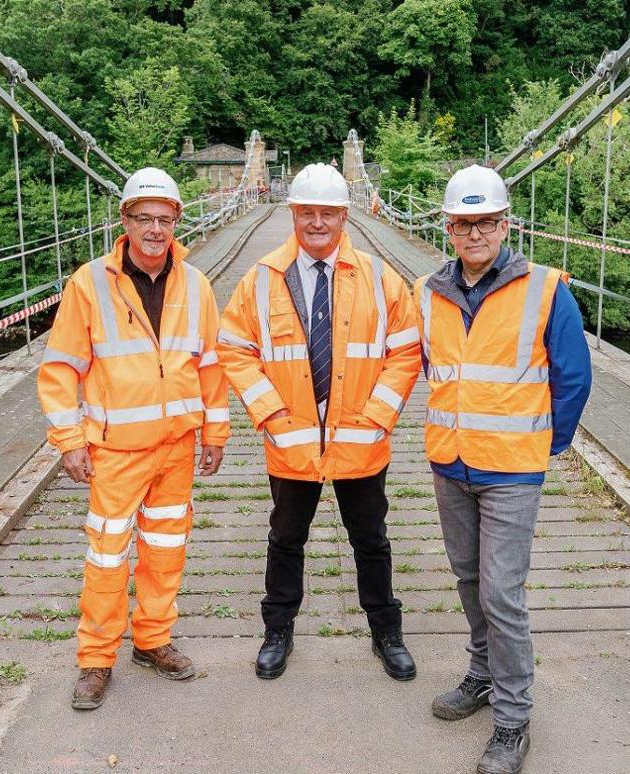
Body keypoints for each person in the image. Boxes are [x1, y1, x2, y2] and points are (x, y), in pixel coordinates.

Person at [415, 165, 592, 774]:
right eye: (464, 223)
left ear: (505, 224)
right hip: (450, 462)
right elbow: (425, 367)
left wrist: (545, 445)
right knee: (469, 581)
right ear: (449, 227)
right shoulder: (428, 291)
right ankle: (483, 673)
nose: (475, 233)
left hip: (513, 469)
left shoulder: (546, 289)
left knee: (501, 593)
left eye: (486, 222)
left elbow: (574, 375)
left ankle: (514, 719)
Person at [217, 163, 422, 681]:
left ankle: (386, 632)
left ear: (344, 215)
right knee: (286, 537)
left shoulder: (380, 278)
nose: (316, 222)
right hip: (293, 440)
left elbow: (406, 350)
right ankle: (278, 631)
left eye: (327, 213)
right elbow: (235, 349)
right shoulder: (261, 278)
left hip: (360, 438)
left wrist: (378, 416)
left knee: (370, 538)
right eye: (306, 212)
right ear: (292, 213)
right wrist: (270, 414)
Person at [37, 167, 230, 710]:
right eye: (143, 218)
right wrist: (69, 439)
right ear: (124, 221)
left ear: (176, 223)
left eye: (164, 219)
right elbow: (59, 370)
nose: (154, 229)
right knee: (107, 555)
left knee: (166, 549)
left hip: (177, 448)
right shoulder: (89, 283)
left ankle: (151, 639)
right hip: (115, 450)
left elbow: (210, 365)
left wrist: (215, 428)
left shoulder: (197, 284)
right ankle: (96, 659)